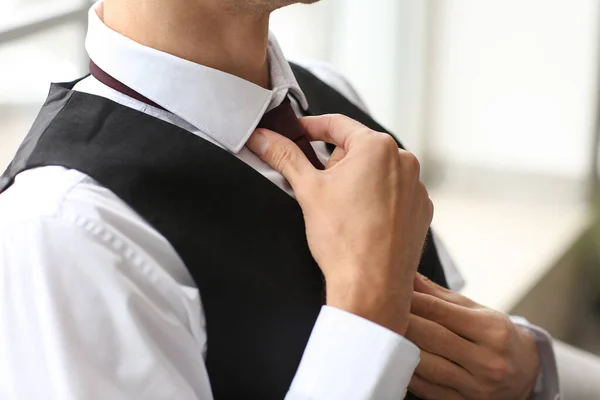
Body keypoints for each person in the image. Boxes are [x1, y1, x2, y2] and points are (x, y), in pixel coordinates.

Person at [0, 0, 578, 399]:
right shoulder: (62, 228)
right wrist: (362, 309)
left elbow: (465, 335)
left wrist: (530, 369)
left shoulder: (331, 98)